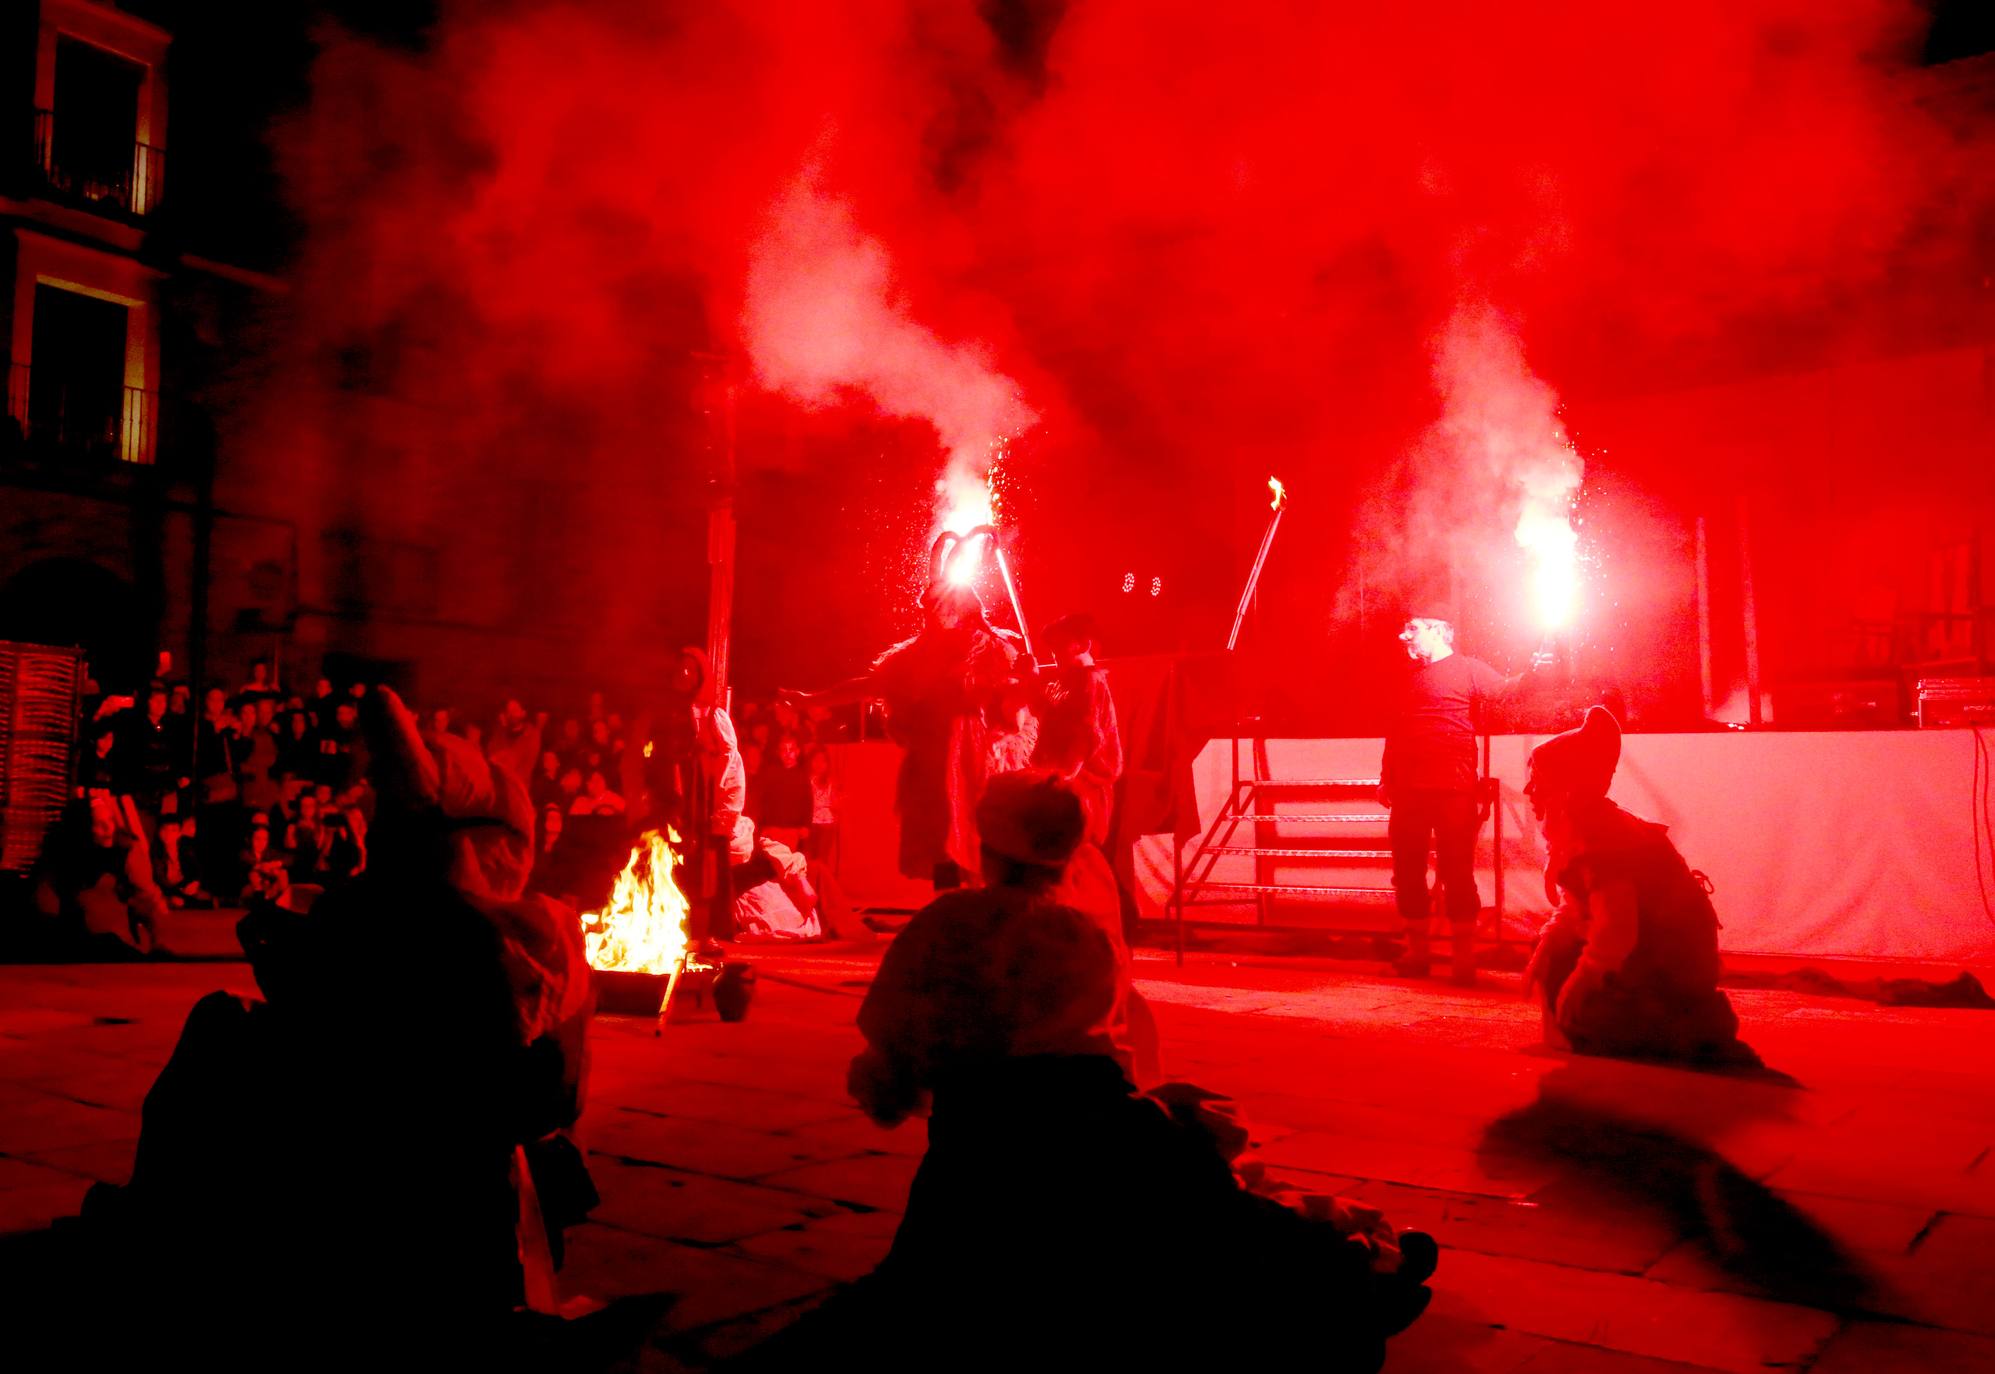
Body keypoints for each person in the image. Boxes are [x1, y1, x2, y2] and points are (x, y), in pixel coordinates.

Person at [752, 775, 1435, 1371]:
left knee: (939, 1289)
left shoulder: (945, 924)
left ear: (986, 845)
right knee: (1202, 1229)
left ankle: (1348, 1283)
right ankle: (1355, 1275)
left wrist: (900, 1082)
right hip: (1102, 1130)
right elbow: (1118, 1052)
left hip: (984, 1147)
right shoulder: (1085, 934)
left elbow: (890, 1040)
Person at [25, 685, 597, 1367]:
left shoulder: (421, 926)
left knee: (219, 1029)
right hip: (468, 1158)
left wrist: (291, 956)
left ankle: (172, 1231)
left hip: (385, 1154)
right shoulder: (546, 935)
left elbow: (338, 1029)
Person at [1523, 707, 1758, 1066]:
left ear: (1567, 788)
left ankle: (1679, 1023)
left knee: (1595, 1012)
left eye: (1538, 780)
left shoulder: (1602, 837)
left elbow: (1617, 929)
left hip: (1670, 964)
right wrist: (1548, 947)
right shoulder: (1583, 829)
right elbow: (1578, 908)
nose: (1528, 791)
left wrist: (1581, 981)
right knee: (1557, 958)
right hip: (1646, 954)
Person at [782, 582, 1016, 891]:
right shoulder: (911, 657)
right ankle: (948, 911)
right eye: (927, 610)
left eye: (939, 608)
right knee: (938, 842)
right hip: (928, 759)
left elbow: (1008, 687)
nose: (930, 616)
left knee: (973, 833)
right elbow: (868, 686)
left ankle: (986, 908)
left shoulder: (981, 646)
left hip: (966, 752)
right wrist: (810, 699)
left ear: (957, 610)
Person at [1379, 613, 1537, 983]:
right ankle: (1418, 954)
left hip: (1454, 788)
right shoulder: (1408, 679)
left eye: (1413, 629)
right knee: (1407, 871)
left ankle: (1463, 961)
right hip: (1408, 791)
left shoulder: (1468, 669)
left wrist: (1535, 672)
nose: (1404, 636)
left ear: (1438, 630)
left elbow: (1507, 690)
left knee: (1457, 871)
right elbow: (1395, 732)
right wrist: (1386, 779)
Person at [1030, 613, 1124, 849]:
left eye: (1061, 647)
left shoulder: (1088, 683)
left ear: (1084, 645)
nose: (1055, 654)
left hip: (1082, 789)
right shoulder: (1066, 683)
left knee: (1076, 859)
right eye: (1053, 648)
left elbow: (1085, 736)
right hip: (1065, 785)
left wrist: (1062, 778)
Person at [32, 795, 167, 954]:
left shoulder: (124, 851)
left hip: (114, 943)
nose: (108, 828)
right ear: (82, 827)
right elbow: (46, 901)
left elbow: (146, 897)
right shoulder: (61, 855)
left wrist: (157, 941)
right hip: (73, 942)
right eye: (98, 823)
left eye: (110, 820)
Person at [751, 734, 814, 852]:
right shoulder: (770, 774)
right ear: (779, 753)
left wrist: (806, 825)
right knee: (773, 863)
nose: (788, 753)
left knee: (790, 863)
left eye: (791, 749)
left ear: (798, 751)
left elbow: (808, 802)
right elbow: (762, 802)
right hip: (772, 829)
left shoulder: (803, 776)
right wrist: (762, 826)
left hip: (794, 831)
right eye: (784, 750)